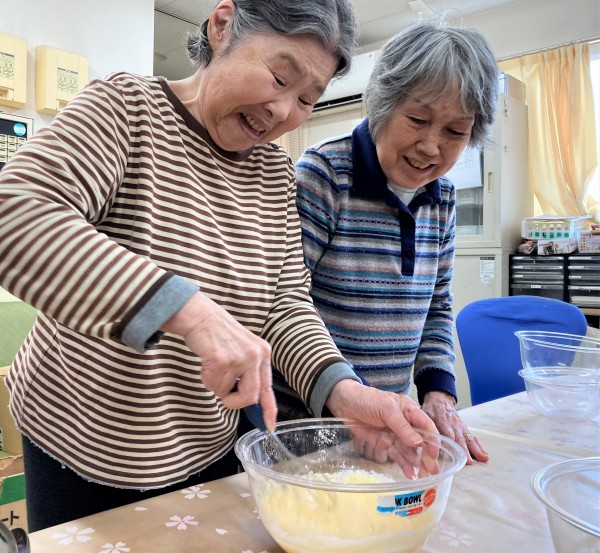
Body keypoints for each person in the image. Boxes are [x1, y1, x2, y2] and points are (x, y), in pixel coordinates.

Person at [0, 0, 437, 532]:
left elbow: (285, 306)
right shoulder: (127, 109)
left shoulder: (274, 174)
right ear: (223, 25)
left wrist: (345, 393)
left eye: (307, 99)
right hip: (82, 445)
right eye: (280, 77)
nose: (283, 110)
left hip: (206, 446)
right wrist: (189, 310)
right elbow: (14, 211)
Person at [292, 21, 500, 464]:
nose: (431, 147)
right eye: (418, 120)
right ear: (383, 104)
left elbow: (437, 304)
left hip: (388, 424)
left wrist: (438, 393)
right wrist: (344, 399)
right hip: (306, 422)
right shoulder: (324, 175)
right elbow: (285, 303)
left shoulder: (443, 198)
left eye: (455, 132)